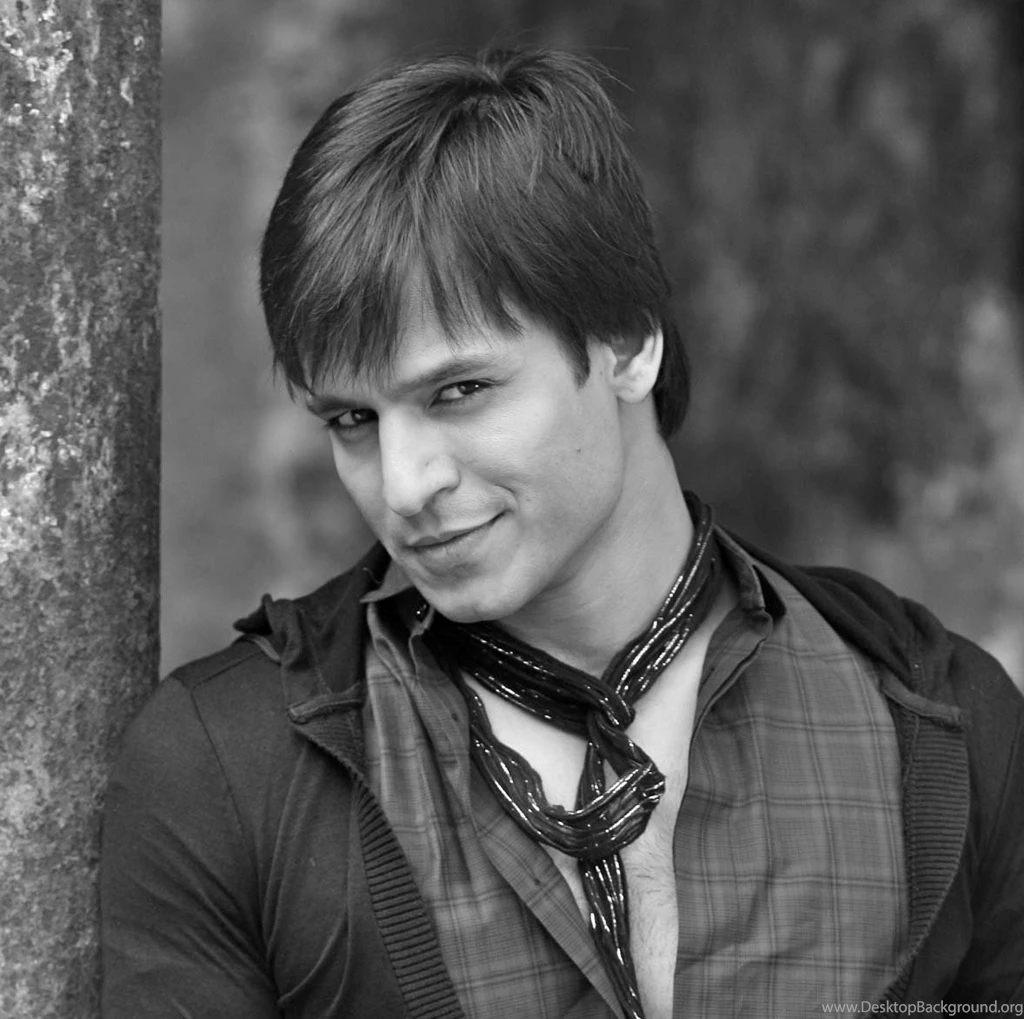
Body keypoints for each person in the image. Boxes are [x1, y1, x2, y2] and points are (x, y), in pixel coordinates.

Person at [100, 48, 1024, 1019]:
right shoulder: (222, 769)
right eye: (352, 420)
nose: (405, 484)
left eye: (459, 390)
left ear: (627, 343)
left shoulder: (939, 721)